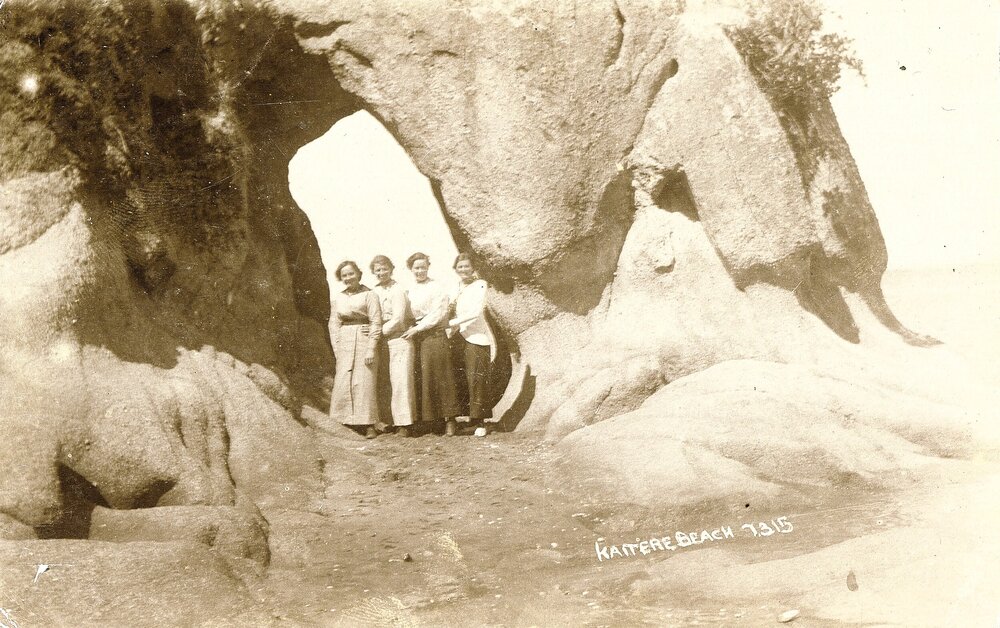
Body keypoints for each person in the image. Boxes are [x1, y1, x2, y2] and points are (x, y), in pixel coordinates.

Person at [401, 252, 460, 435]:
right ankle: (431, 421)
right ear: (411, 269)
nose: (420, 271)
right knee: (423, 377)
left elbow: (437, 314)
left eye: (423, 267)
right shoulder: (409, 290)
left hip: (434, 335)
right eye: (416, 268)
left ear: (428, 267)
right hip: (417, 335)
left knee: (443, 376)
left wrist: (418, 329)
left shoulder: (436, 287)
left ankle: (450, 420)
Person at [329, 260, 383, 439]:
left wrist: (371, 348)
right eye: (344, 275)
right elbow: (334, 323)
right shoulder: (339, 297)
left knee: (364, 380)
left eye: (351, 274)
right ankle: (344, 420)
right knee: (344, 380)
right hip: (345, 339)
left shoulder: (370, 295)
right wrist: (337, 348)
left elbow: (376, 321)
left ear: (358, 274)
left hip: (364, 338)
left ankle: (368, 424)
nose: (348, 278)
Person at [448, 253, 497, 436]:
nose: (463, 270)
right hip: (458, 338)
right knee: (463, 379)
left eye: (466, 266)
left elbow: (475, 312)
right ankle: (471, 419)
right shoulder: (455, 288)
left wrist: (451, 323)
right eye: (460, 267)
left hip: (477, 337)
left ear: (473, 268)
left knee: (478, 379)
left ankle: (481, 423)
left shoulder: (481, 285)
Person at [370, 255, 416, 437]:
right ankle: (389, 421)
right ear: (373, 272)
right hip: (382, 340)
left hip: (398, 337)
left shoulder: (398, 290)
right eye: (378, 270)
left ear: (391, 269)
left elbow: (398, 318)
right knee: (385, 382)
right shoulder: (374, 291)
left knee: (400, 381)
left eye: (384, 269)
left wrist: (379, 331)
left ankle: (404, 424)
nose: (382, 273)